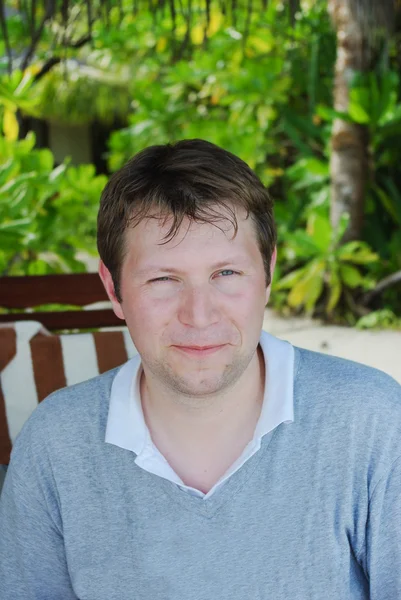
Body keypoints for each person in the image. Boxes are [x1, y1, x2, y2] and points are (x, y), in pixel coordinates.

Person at [0, 139, 400, 600]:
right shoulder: (55, 444)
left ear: (267, 273)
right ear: (113, 290)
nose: (199, 314)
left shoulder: (373, 423)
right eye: (163, 279)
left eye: (226, 274)